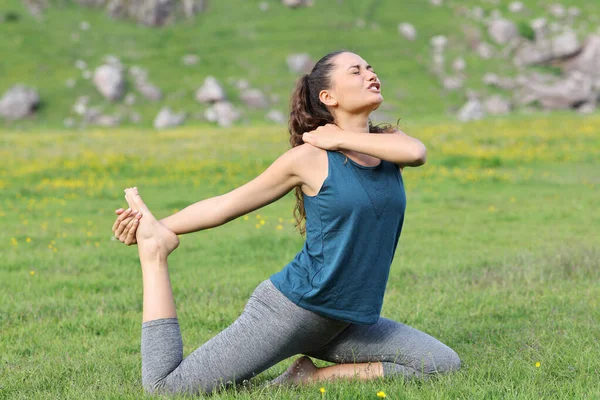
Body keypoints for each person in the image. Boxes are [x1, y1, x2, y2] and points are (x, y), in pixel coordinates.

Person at [111, 50, 461, 396]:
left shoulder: (389, 147)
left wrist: (338, 137)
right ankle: (154, 253)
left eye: (370, 67)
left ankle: (309, 378)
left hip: (344, 322)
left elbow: (417, 153)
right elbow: (227, 204)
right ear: (328, 97)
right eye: (355, 71)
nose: (370, 74)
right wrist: (158, 226)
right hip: (293, 311)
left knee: (441, 363)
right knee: (167, 388)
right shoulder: (309, 158)